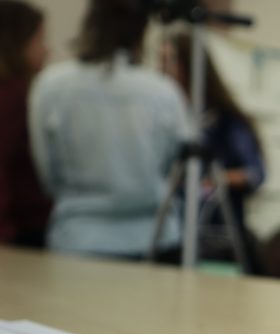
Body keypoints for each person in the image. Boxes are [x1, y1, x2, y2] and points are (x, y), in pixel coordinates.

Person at [29, 0, 187, 259]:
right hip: (153, 238)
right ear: (142, 30)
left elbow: (47, 168)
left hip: (79, 237)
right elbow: (174, 166)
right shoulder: (162, 91)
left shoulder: (52, 86)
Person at [164, 33, 265, 271]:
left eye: (168, 60)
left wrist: (211, 182)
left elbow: (255, 174)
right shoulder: (170, 116)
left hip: (216, 238)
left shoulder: (225, 122)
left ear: (188, 66)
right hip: (172, 235)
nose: (162, 69)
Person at [0, 0, 50, 247]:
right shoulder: (13, 98)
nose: (46, 50)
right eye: (40, 40)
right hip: (16, 235)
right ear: (17, 42)